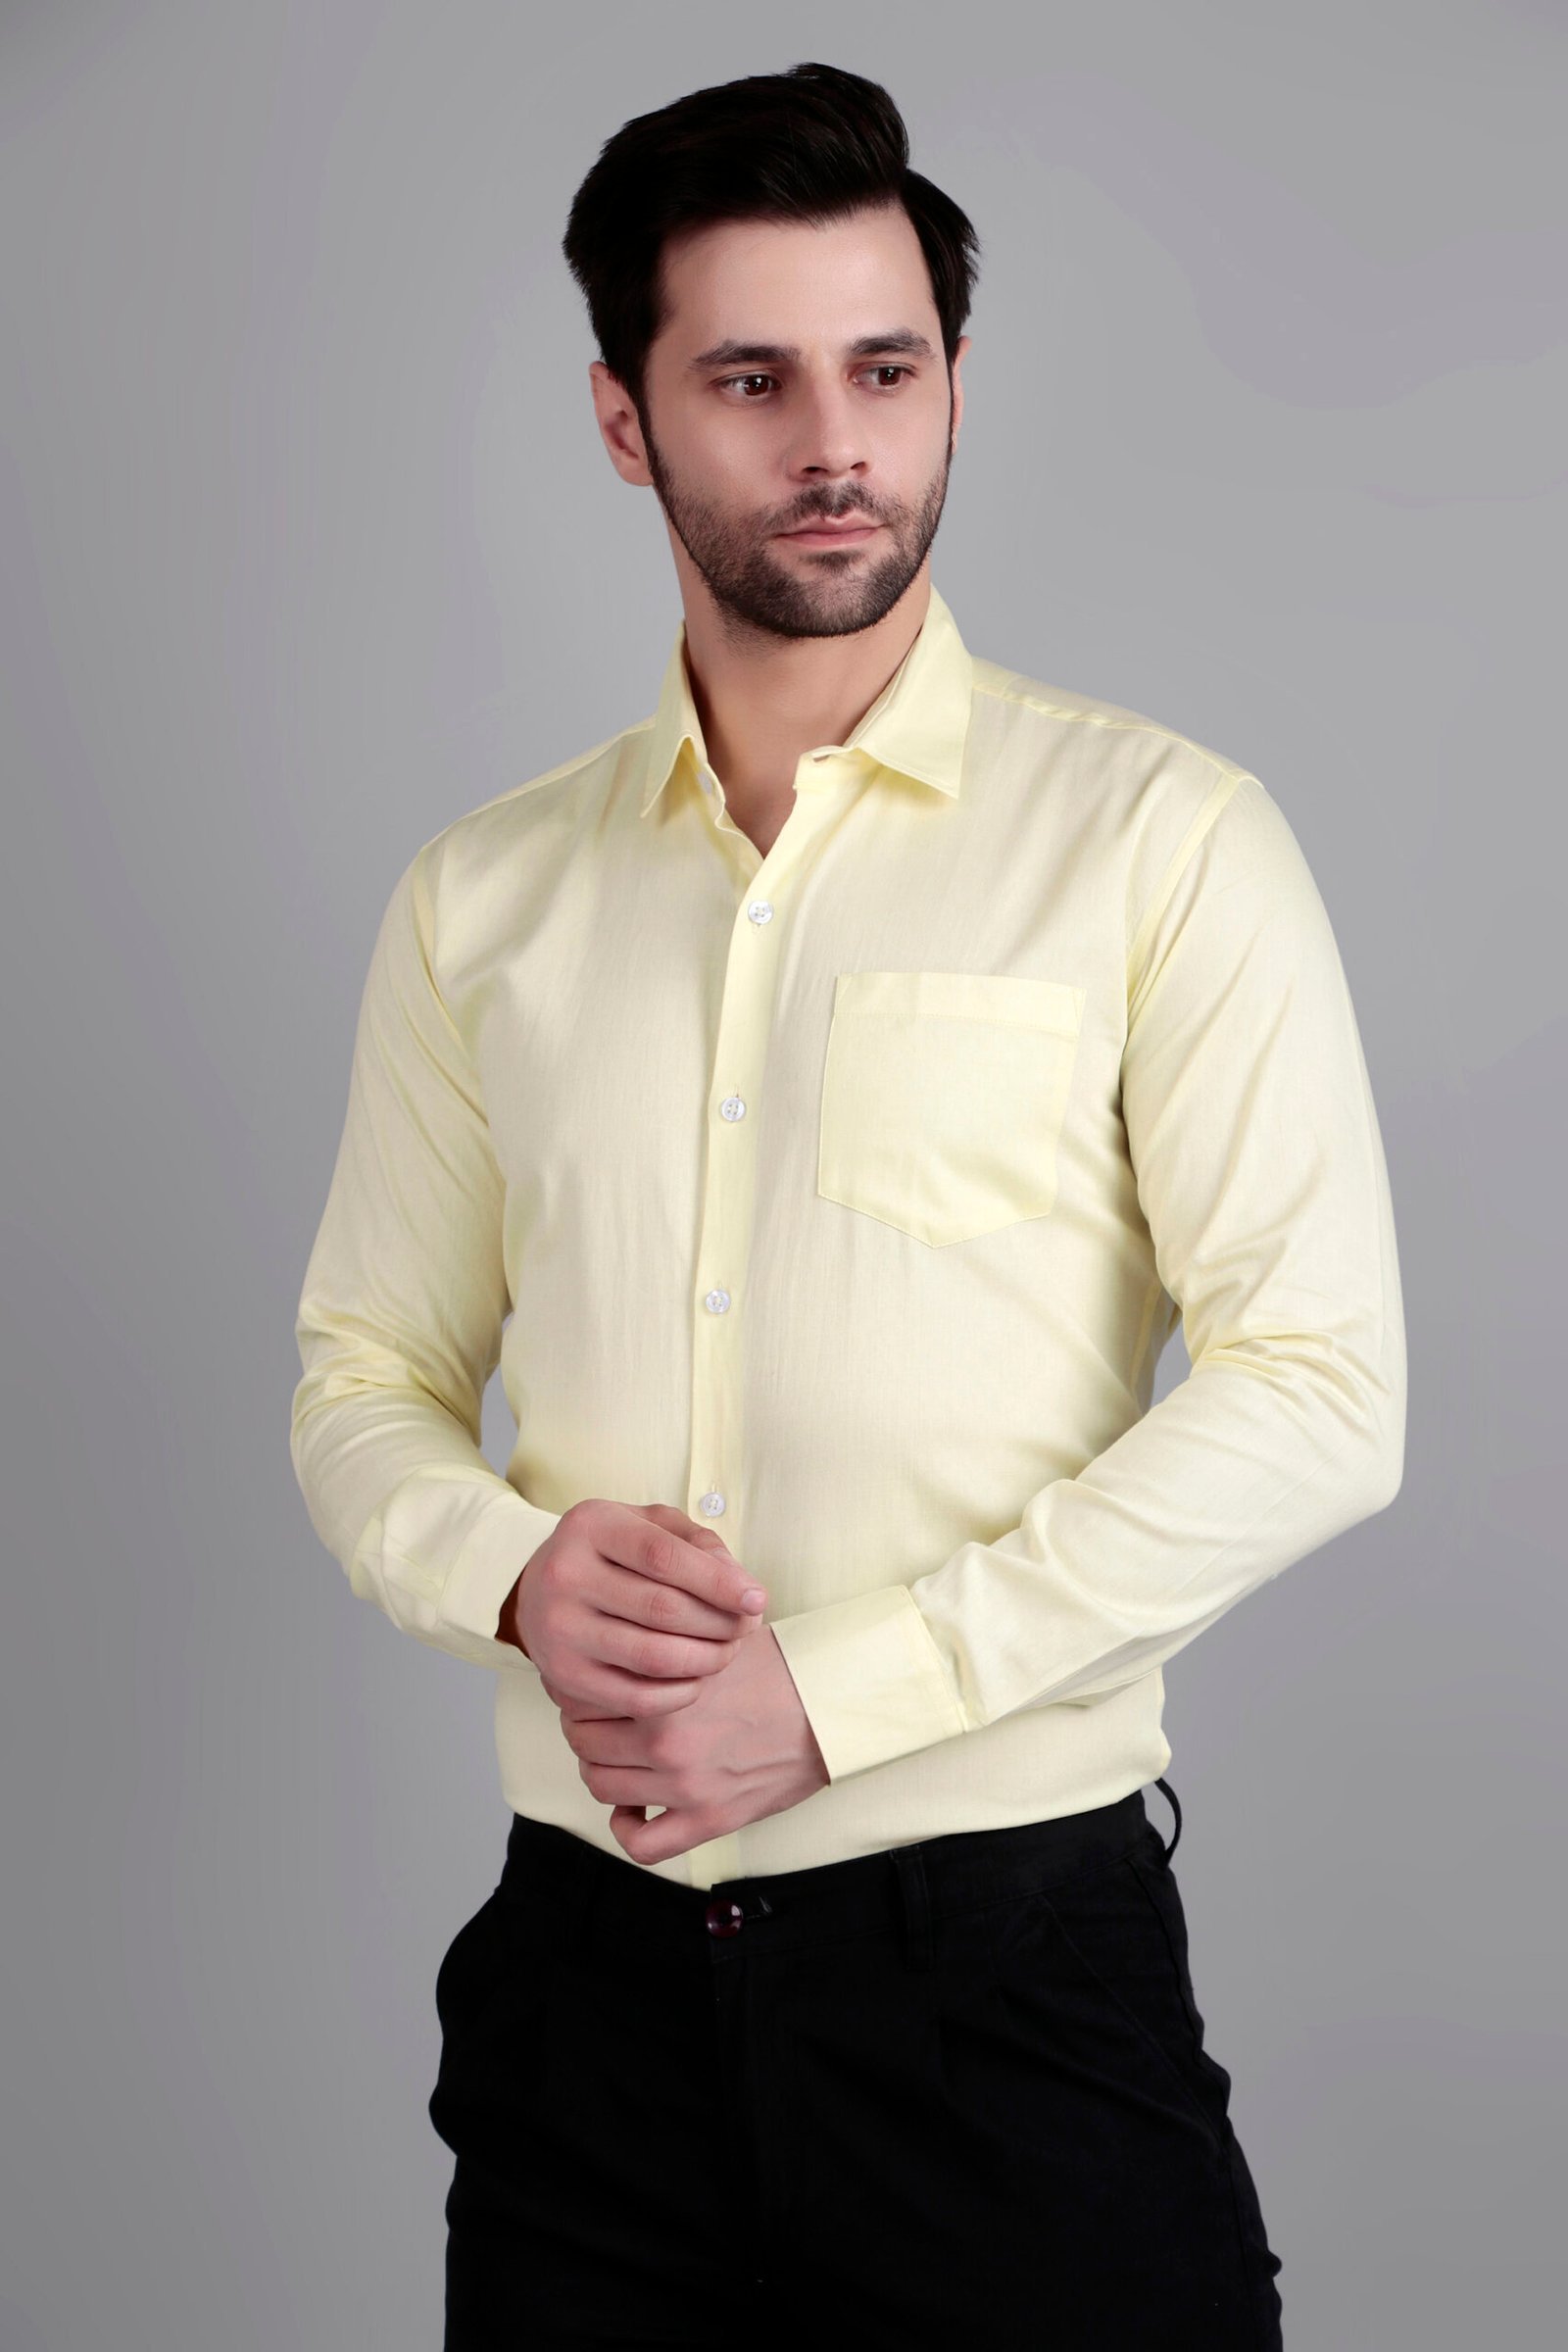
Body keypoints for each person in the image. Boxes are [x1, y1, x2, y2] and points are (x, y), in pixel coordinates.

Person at [289, 57, 1405, 2352]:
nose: (834, 442)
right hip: (583, 2015)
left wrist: (837, 1693)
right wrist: (506, 1573)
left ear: (952, 383)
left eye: (885, 370)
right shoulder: (482, 898)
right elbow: (360, 1378)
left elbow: (1319, 1391)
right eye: (750, 378)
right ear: (623, 420)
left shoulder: (1160, 845)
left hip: (999, 1994)